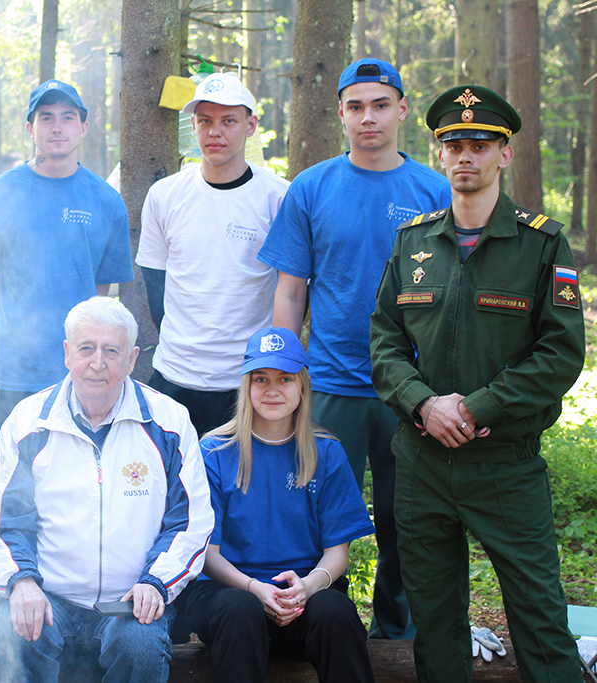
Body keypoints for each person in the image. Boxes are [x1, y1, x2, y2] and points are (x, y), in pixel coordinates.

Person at [369, 85, 585, 683]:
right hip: (422, 463)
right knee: (435, 623)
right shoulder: (413, 242)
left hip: (505, 464)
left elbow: (561, 353)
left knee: (540, 618)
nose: (466, 155)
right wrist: (423, 405)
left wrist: (478, 407)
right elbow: (384, 342)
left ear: (504, 154)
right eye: (454, 144)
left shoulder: (543, 244)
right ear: (440, 154)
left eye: (481, 145)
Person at [258, 58, 451, 639]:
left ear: (402, 110)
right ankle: (322, 628)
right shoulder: (312, 187)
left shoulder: (434, 189)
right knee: (315, 517)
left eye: (381, 105)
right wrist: (284, 376)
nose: (369, 117)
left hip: (411, 390)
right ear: (341, 113)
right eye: (356, 106)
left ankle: (398, 635)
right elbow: (290, 291)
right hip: (329, 384)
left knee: (405, 519)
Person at [0, 297, 214, 683]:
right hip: (49, 596)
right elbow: (4, 520)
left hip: (131, 600)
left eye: (112, 351)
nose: (97, 362)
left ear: (132, 358)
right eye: (86, 348)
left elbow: (190, 520)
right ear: (67, 353)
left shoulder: (169, 423)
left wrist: (155, 582)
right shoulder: (28, 424)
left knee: (140, 646)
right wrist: (22, 580)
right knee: (12, 630)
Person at [173, 327, 376, 683]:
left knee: (335, 611)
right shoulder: (214, 452)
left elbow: (337, 554)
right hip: (230, 596)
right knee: (240, 610)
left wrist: (307, 588)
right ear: (246, 385)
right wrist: (254, 588)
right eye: (261, 379)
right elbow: (207, 554)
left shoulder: (326, 452)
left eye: (285, 378)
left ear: (302, 385)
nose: (272, 390)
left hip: (303, 595)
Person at [0, 80, 133, 450]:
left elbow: (100, 293)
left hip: (79, 373)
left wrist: (87, 355)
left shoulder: (106, 201)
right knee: (10, 476)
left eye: (67, 117)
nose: (57, 127)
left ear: (83, 127)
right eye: (46, 118)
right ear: (30, 128)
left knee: (74, 475)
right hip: (14, 372)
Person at [136, 72, 290, 437]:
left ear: (250, 125)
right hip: (174, 376)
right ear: (193, 125)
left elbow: (295, 290)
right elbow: (155, 283)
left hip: (246, 379)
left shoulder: (279, 197)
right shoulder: (164, 195)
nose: (214, 132)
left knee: (242, 474)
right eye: (205, 121)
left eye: (228, 121)